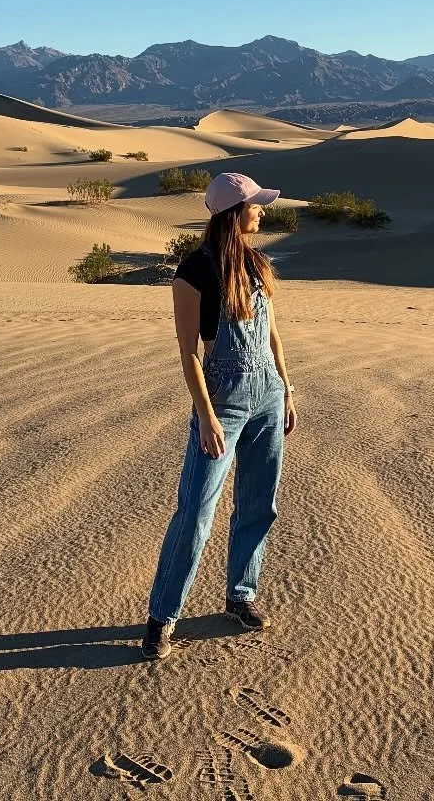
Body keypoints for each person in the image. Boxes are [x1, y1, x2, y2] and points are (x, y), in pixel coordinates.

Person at [142, 172, 297, 660]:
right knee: (196, 512)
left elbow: (271, 336)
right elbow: (189, 352)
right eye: (255, 205)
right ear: (234, 211)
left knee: (258, 505)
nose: (263, 211)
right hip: (223, 403)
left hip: (268, 396)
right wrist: (206, 416)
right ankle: (162, 618)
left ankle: (241, 596)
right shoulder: (193, 272)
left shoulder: (258, 264)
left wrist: (287, 389)